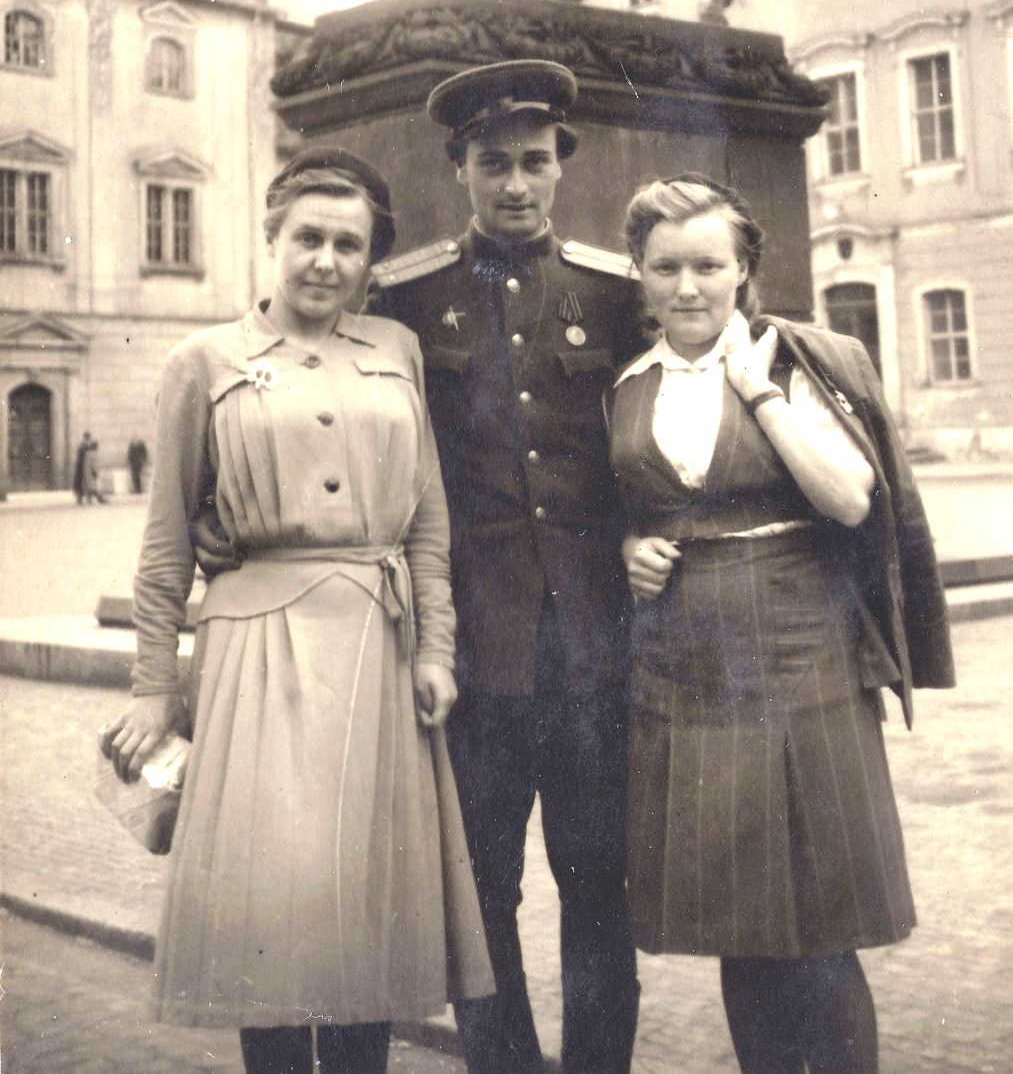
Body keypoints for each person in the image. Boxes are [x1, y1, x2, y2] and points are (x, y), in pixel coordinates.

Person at [101, 148, 492, 1074]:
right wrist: (155, 689)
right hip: (253, 656)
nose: (326, 260)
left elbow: (427, 519)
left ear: (368, 259)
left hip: (375, 652)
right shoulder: (203, 361)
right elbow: (165, 545)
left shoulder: (395, 350)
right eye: (307, 238)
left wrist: (435, 650)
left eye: (348, 245)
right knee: (268, 906)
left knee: (363, 898)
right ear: (271, 240)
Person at [609, 174, 956, 1074]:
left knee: (822, 923)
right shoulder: (628, 384)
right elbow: (622, 503)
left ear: (743, 268)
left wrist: (758, 393)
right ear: (638, 272)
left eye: (707, 265)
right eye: (665, 267)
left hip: (804, 658)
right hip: (690, 667)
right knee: (742, 923)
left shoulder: (797, 362)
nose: (687, 287)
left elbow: (848, 500)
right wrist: (629, 546)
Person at [370, 61, 643, 1074]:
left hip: (590, 653)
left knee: (598, 893)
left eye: (533, 161)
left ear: (561, 165)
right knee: (480, 899)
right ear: (460, 168)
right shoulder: (408, 298)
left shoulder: (613, 294)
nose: (515, 183)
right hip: (476, 660)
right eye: (494, 164)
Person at [73, 431, 91, 504]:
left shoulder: (84, 446)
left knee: (84, 483)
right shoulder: (83, 446)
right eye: (87, 438)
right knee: (80, 483)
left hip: (83, 466)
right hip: (81, 467)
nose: (87, 440)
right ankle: (80, 499)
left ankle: (83, 499)